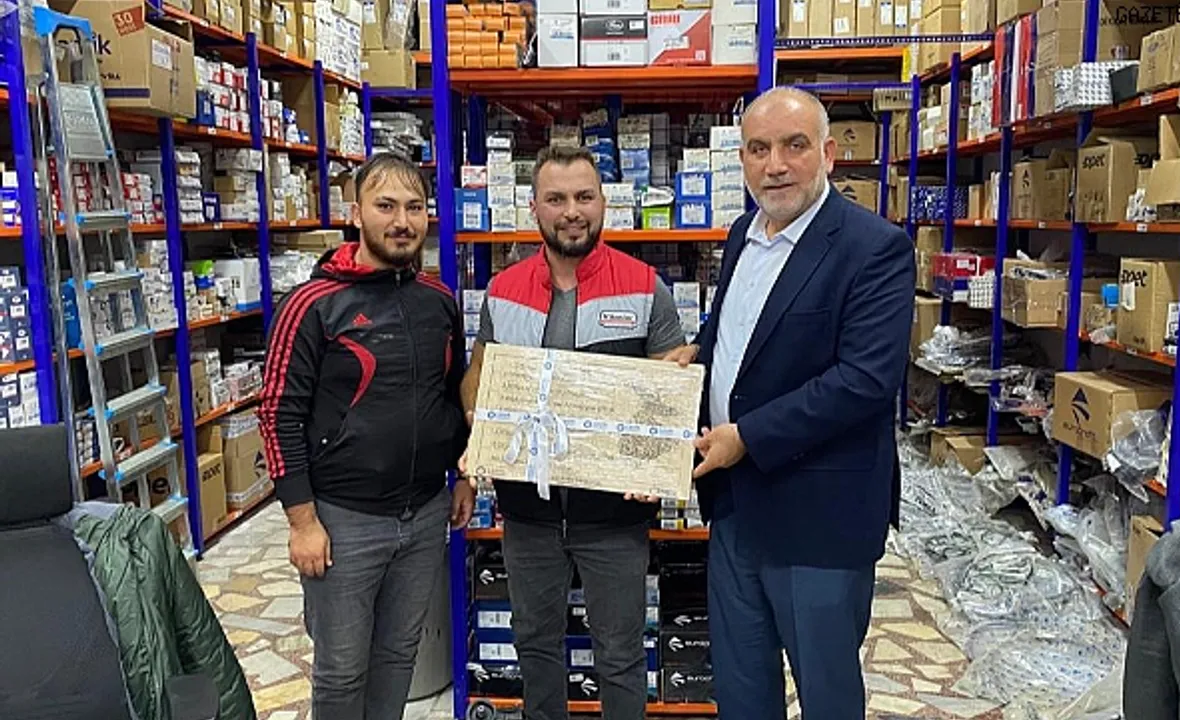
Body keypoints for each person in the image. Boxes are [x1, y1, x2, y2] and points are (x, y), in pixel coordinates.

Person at [677, 87, 916, 718]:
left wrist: (746, 436)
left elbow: (864, 380)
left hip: (819, 519)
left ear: (829, 154)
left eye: (794, 146)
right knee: (742, 690)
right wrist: (698, 353)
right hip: (736, 507)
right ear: (742, 159)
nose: (775, 165)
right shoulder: (743, 234)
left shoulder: (874, 248)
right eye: (758, 149)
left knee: (826, 695)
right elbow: (742, 333)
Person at [460, 145, 693, 720]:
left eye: (584, 197)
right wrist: (480, 425)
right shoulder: (503, 290)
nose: (572, 211)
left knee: (620, 654)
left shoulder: (645, 286)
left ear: (603, 203)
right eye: (557, 198)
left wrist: (656, 457)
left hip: (613, 516)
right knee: (535, 647)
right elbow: (478, 378)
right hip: (527, 516)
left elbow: (668, 397)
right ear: (534, 207)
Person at [257, 152, 474, 720]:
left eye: (414, 207)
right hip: (342, 521)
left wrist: (463, 473)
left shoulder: (438, 301)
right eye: (386, 206)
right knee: (342, 671)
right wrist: (302, 522)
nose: (402, 221)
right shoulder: (311, 305)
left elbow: (451, 394)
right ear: (355, 213)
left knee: (398, 656)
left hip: (424, 514)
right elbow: (277, 413)